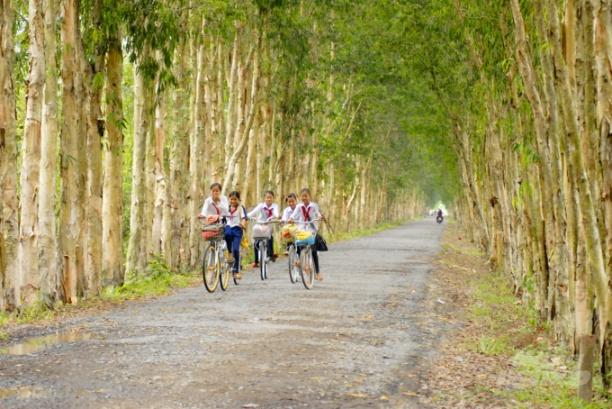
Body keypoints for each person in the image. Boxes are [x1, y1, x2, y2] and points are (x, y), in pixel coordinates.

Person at [289, 188, 324, 281]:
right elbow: (294, 215)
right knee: (299, 243)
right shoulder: (299, 206)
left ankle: (317, 273)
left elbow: (318, 214)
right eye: (302, 196)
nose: (304, 198)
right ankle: (300, 260)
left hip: (311, 229)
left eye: (306, 196)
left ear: (309, 196)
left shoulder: (314, 206)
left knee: (313, 250)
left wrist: (320, 217)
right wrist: (291, 218)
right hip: (301, 228)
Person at [248, 190, 279, 267]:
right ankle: (256, 261)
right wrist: (246, 216)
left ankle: (270, 255)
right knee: (256, 241)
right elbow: (252, 212)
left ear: (273, 198)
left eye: (270, 198)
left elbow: (276, 213)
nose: (268, 199)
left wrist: (275, 216)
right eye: (267, 198)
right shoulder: (261, 206)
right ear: (264, 198)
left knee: (270, 238)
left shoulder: (275, 206)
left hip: (269, 224)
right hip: (260, 224)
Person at [225, 191, 248, 280]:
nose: (233, 201)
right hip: (228, 227)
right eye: (231, 199)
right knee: (227, 234)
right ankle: (229, 253)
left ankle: (236, 271)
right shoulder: (227, 208)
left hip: (238, 229)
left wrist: (243, 224)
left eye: (235, 199)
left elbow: (243, 218)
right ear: (229, 199)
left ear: (238, 200)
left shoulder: (241, 208)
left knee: (236, 249)